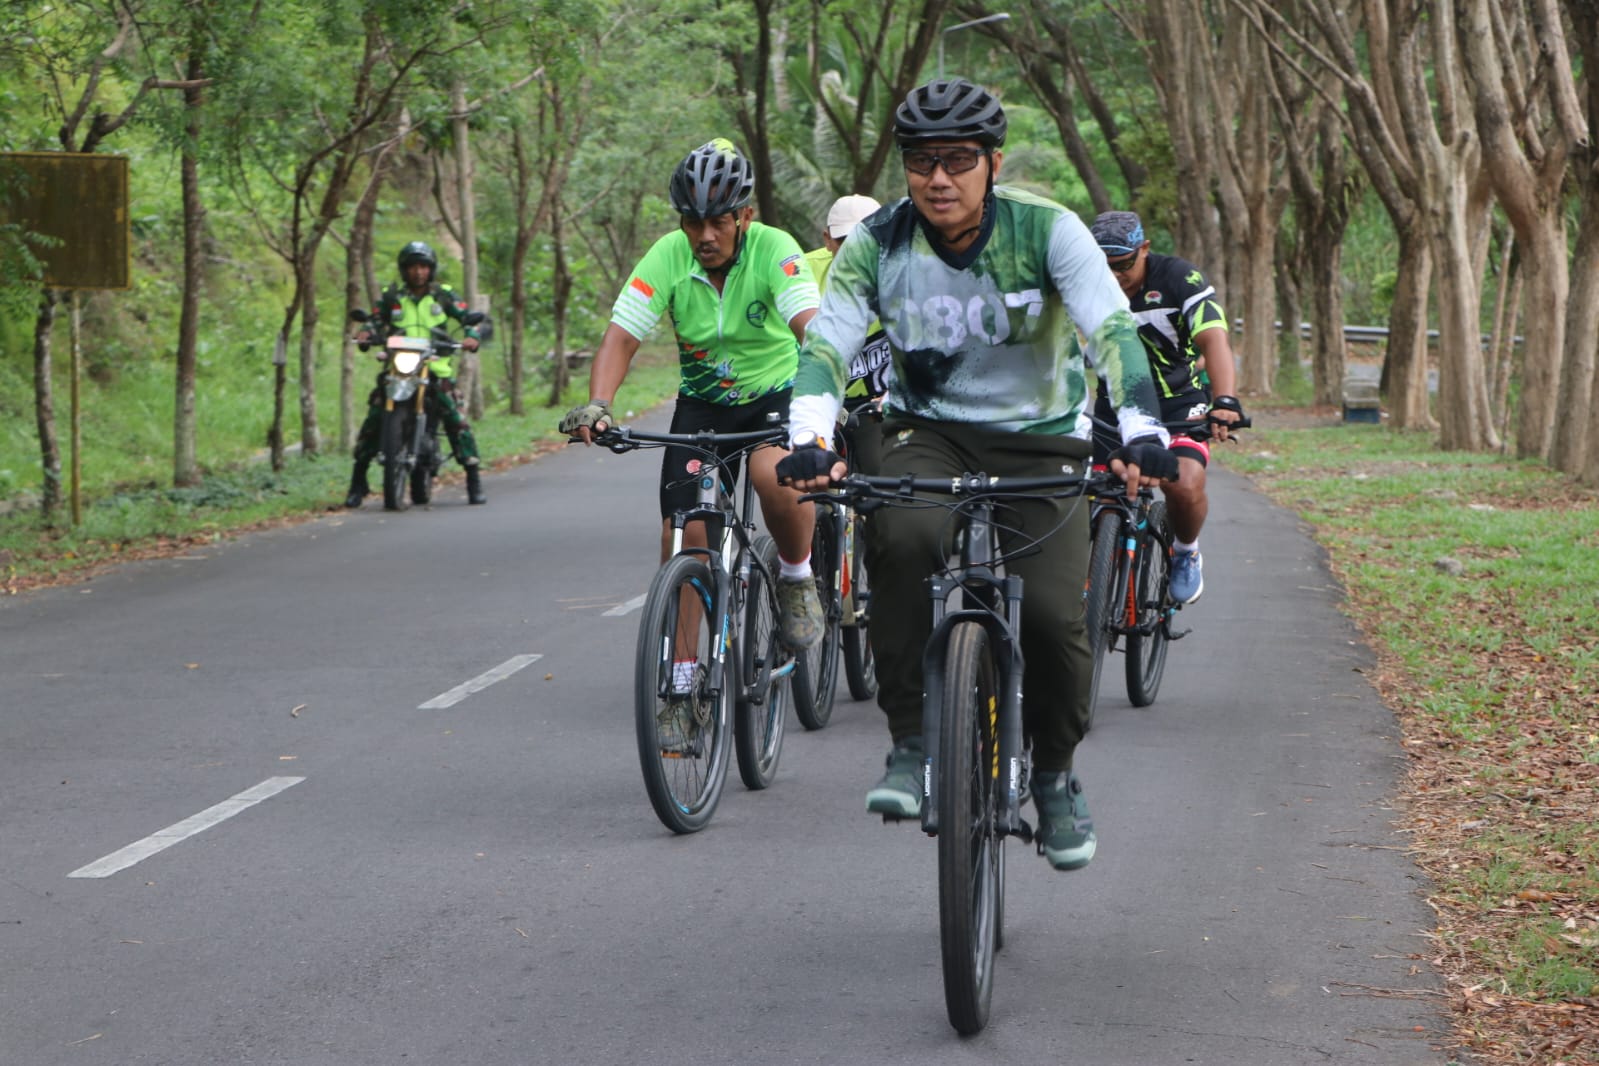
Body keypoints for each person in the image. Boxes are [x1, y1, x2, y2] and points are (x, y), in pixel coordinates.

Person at [775, 78, 1175, 872]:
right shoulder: (878, 244)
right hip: (927, 433)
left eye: (958, 160)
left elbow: (1111, 332)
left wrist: (1141, 432)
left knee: (1058, 617)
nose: (938, 179)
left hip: (1042, 441)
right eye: (922, 161)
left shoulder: (1048, 231)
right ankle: (909, 743)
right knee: (903, 538)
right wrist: (812, 437)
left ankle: (1055, 777)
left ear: (992, 163)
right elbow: (829, 346)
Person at [559, 138, 825, 651]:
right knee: (683, 538)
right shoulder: (668, 254)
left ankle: (796, 575)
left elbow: (808, 328)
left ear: (744, 216)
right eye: (692, 222)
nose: (705, 235)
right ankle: (680, 683)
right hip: (703, 406)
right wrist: (599, 404)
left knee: (775, 477)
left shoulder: (775, 248)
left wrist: (825, 398)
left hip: (775, 394)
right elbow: (621, 336)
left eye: (719, 222)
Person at [1088, 210, 1245, 605]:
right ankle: (1094, 572)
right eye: (1103, 266)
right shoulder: (1084, 282)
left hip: (1180, 404)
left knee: (1185, 482)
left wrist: (1224, 401)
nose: (1115, 276)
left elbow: (1214, 339)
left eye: (1123, 264)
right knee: (1095, 496)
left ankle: (1186, 551)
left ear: (1144, 249)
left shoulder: (1179, 278)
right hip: (1115, 410)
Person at [346, 241, 487, 507]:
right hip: (399, 368)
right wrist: (365, 333)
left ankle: (472, 477)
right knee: (375, 416)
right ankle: (358, 481)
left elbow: (467, 318)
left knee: (455, 418)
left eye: (423, 266)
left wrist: (471, 336)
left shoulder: (444, 295)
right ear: (404, 269)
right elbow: (374, 321)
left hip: (434, 367)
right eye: (412, 266)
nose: (418, 272)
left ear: (431, 269)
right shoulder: (392, 297)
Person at [803, 193, 889, 475]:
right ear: (827, 240)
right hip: (821, 397)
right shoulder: (803, 274)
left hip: (878, 401)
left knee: (879, 473)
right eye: (844, 242)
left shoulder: (906, 272)